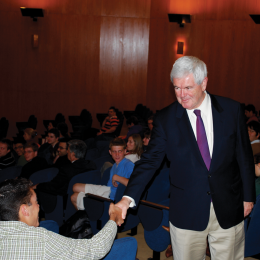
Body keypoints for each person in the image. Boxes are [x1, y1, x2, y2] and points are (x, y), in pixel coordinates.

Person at [115, 56, 255, 260]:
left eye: (188, 88)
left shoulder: (231, 110)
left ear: (204, 82)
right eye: (176, 88)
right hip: (187, 210)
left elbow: (244, 155)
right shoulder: (166, 119)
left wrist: (248, 197)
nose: (182, 95)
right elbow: (150, 161)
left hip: (229, 205)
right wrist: (127, 199)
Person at [0, 178, 123, 260]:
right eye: (36, 202)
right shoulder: (41, 240)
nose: (39, 206)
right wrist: (113, 217)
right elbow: (95, 249)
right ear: (24, 210)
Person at [71, 138, 134, 210]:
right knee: (75, 187)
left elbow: (133, 184)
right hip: (108, 190)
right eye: (114, 152)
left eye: (120, 151)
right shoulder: (114, 165)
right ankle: (88, 216)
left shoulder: (128, 165)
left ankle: (87, 218)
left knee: (74, 197)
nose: (117, 155)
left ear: (125, 151)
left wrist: (116, 177)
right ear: (110, 152)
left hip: (112, 196)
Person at [34, 140, 96, 212]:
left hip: (67, 202)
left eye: (68, 150)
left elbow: (53, 186)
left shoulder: (67, 169)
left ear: (72, 154)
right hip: (88, 198)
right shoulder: (91, 164)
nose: (67, 152)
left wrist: (38, 185)